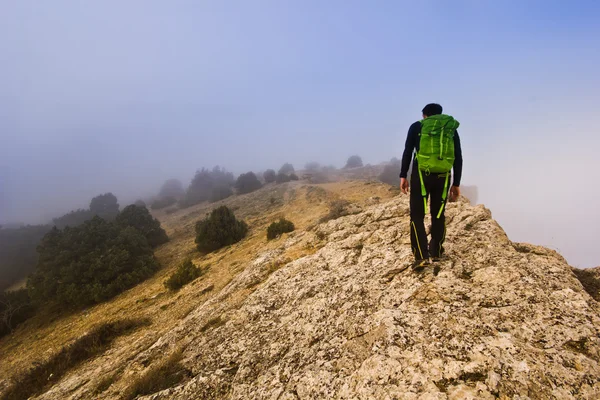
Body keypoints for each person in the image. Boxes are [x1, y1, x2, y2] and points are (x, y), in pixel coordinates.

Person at [399, 103, 463, 270]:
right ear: (440, 114)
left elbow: (407, 151)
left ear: (424, 115)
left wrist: (403, 175)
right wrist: (456, 183)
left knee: (417, 216)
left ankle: (421, 256)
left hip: (421, 176)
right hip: (443, 177)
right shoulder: (449, 130)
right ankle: (436, 251)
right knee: (438, 214)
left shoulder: (417, 127)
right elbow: (458, 157)